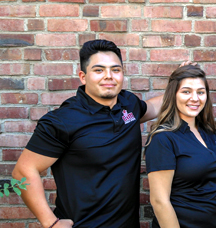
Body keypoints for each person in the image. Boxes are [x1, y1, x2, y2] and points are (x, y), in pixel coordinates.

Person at [12, 39, 165, 228]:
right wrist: (50, 223)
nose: (108, 76)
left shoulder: (129, 104)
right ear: (83, 77)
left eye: (115, 70)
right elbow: (22, 172)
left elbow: (152, 107)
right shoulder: (62, 120)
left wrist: (182, 83)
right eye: (99, 70)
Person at [145, 65, 216, 228]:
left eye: (200, 92)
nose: (195, 98)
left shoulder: (212, 134)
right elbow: (159, 201)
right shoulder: (163, 138)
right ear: (173, 95)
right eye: (186, 91)